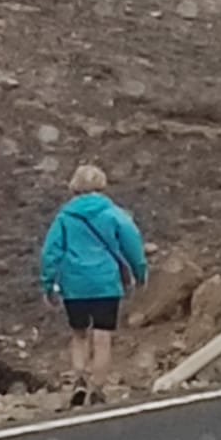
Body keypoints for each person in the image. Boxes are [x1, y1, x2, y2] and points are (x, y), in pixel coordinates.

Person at [40, 164, 148, 408]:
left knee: (79, 334)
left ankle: (79, 378)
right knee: (103, 336)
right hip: (105, 283)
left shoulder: (65, 217)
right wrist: (140, 273)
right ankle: (97, 388)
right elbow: (132, 244)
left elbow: (51, 253)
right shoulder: (113, 214)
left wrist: (48, 284)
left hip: (74, 283)